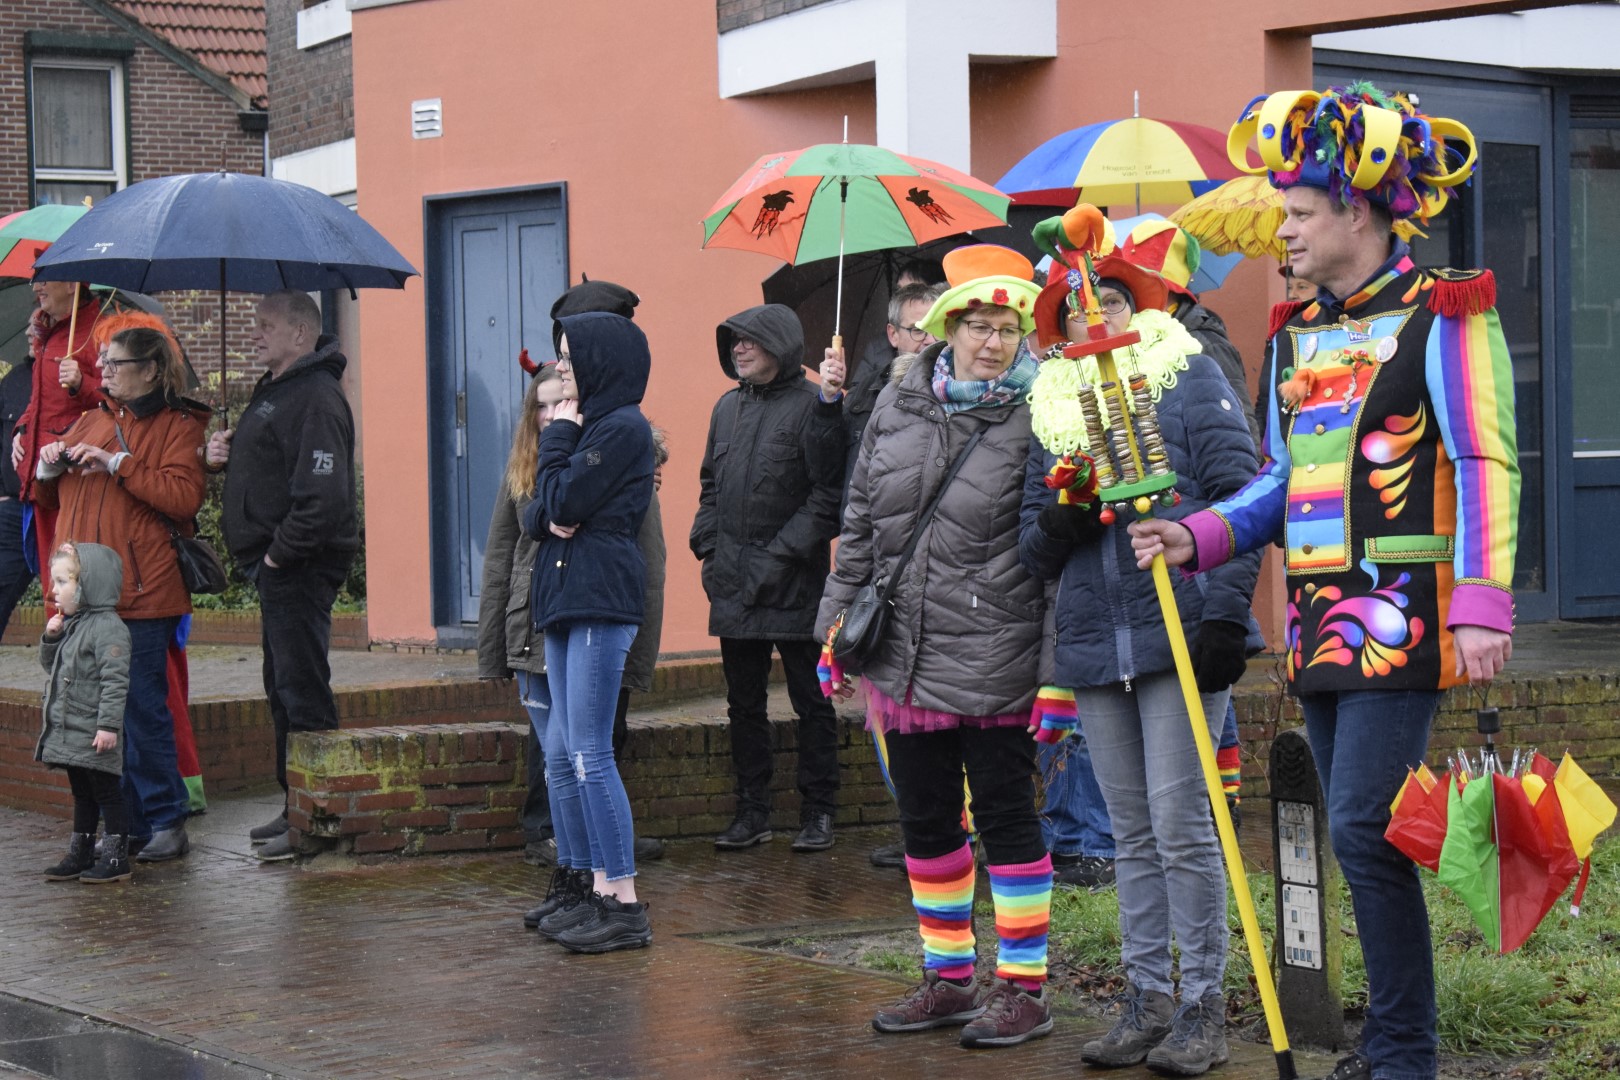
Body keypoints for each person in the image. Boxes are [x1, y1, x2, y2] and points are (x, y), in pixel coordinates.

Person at [1130, 85, 1518, 1080]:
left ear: (1360, 211)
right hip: (1318, 625)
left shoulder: (1447, 313)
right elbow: (1276, 477)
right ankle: (1389, 1043)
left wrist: (1483, 603)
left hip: (1406, 619)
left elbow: (1485, 461)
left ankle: (1404, 1053)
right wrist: (1196, 534)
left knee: (1363, 827)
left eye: (1300, 213)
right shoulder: (1296, 332)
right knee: (1361, 837)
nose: (1285, 230)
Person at [1020, 206, 1261, 1073]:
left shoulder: (1188, 377)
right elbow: (1032, 548)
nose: (1097, 318)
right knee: (1129, 831)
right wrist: (1065, 512)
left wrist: (1224, 616)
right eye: (1079, 309)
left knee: (1181, 825)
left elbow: (1243, 498)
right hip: (1097, 645)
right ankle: (1146, 996)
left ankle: (1203, 1006)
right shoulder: (1053, 409)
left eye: (1112, 302)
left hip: (1181, 631)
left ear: (1139, 307)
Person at [818, 244, 1055, 1049]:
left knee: (1006, 817)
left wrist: (1055, 675)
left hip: (998, 648)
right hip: (903, 651)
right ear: (948, 327)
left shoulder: (1044, 412)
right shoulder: (898, 402)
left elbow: (1054, 553)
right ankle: (949, 978)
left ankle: (1024, 988)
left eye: (1008, 329)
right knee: (925, 819)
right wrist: (834, 632)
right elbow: (860, 526)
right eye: (978, 326)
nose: (993, 342)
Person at [33, 326, 210, 865]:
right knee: (97, 716)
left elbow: (183, 497)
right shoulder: (92, 419)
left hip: (142, 591)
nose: (104, 371)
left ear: (151, 369)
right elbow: (48, 497)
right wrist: (47, 467)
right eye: (104, 362)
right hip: (87, 598)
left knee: (140, 710)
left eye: (116, 363)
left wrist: (117, 464)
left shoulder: (179, 426)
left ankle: (166, 820)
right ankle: (126, 825)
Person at [205, 290, 358, 863]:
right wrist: (226, 451)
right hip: (279, 569)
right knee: (281, 688)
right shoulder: (278, 390)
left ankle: (319, 816)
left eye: (265, 325)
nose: (254, 334)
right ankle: (296, 802)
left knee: (302, 690)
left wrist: (277, 558)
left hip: (297, 568)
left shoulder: (316, 397)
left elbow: (322, 498)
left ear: (300, 333)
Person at [520, 311, 655, 954]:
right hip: (566, 597)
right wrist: (552, 502)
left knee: (591, 754)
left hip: (600, 598)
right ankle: (589, 884)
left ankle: (622, 901)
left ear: (604, 360)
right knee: (565, 753)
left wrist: (559, 442)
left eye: (573, 358)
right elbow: (540, 509)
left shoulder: (622, 427)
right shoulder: (590, 425)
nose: (564, 369)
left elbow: (564, 500)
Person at [691, 303, 845, 853]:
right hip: (733, 584)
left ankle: (818, 812)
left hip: (796, 584)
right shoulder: (726, 408)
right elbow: (710, 486)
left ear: (780, 345)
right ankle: (751, 811)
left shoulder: (814, 406)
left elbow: (829, 497)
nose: (739, 348)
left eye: (750, 340)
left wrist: (779, 557)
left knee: (812, 702)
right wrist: (707, 547)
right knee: (744, 704)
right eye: (733, 340)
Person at [36, 542, 134, 884]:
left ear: (88, 584)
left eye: (63, 581)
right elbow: (53, 668)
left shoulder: (108, 628)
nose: (54, 590)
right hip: (74, 729)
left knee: (107, 793)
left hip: (94, 730)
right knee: (82, 793)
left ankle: (116, 857)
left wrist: (108, 726)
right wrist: (52, 638)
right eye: (54, 581)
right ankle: (80, 853)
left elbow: (115, 681)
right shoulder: (75, 624)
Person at [13, 279, 105, 588]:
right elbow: (39, 402)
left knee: (71, 582)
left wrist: (82, 383)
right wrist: (21, 430)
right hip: (41, 479)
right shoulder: (50, 334)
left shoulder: (99, 332)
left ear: (71, 284)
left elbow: (118, 404)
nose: (35, 288)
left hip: (73, 479)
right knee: (52, 582)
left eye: (43, 280)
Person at [0, 354, 36, 636]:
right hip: (14, 508)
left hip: (62, 508)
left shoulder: (84, 377)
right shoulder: (15, 379)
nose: (29, 333)